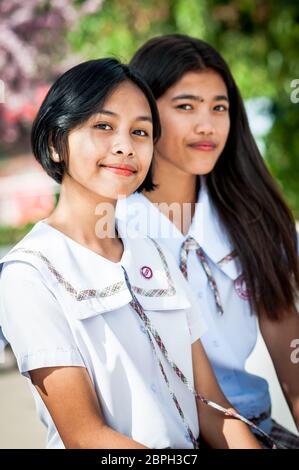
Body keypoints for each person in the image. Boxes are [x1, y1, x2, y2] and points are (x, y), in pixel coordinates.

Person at [0, 58, 263, 449]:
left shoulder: (153, 252)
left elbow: (212, 407)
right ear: (56, 143)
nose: (125, 146)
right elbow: (87, 436)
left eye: (140, 131)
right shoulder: (29, 273)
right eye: (103, 126)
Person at [116, 34, 299, 448]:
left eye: (220, 107)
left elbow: (292, 357)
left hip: (255, 428)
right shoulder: (111, 229)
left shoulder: (254, 219)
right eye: (186, 107)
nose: (207, 125)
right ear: (144, 114)